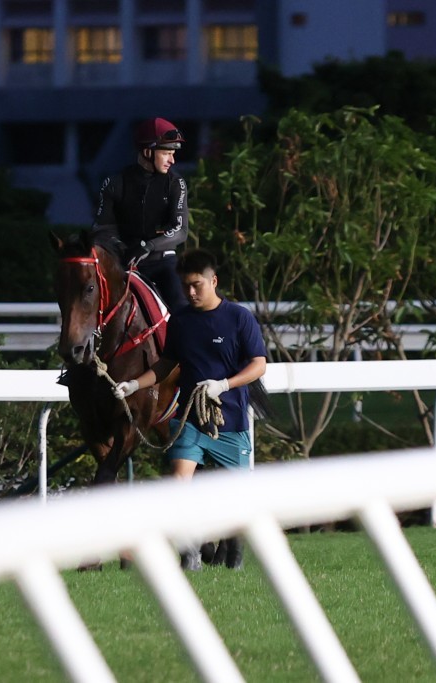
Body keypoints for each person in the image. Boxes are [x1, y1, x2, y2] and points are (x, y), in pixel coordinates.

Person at [114, 248, 267, 570]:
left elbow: (258, 365)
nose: (190, 292)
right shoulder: (181, 320)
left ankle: (234, 548)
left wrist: (224, 385)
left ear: (214, 281)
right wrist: (134, 384)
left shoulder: (239, 318)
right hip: (189, 418)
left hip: (230, 418)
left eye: (197, 284)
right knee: (180, 481)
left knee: (235, 496)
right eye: (186, 286)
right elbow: (166, 363)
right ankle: (190, 551)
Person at [93, 117, 189, 312]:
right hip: (124, 266)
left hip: (163, 264)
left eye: (173, 153)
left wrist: (148, 246)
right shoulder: (113, 183)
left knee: (182, 311)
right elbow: (102, 228)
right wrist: (121, 247)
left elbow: (180, 230)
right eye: (166, 153)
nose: (172, 160)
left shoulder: (176, 183)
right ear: (147, 152)